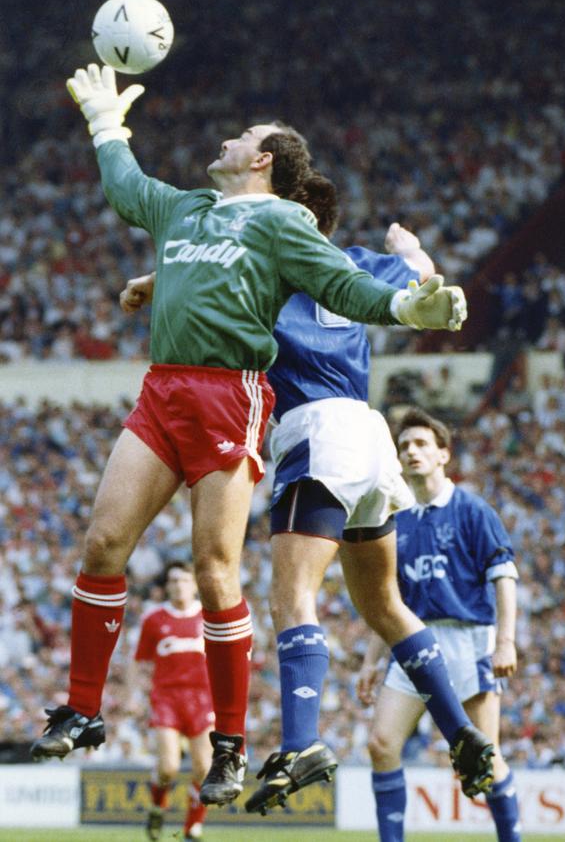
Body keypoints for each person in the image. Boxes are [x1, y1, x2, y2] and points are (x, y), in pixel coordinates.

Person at [30, 63, 467, 811]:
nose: (227, 138)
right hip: (163, 389)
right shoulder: (190, 209)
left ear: (262, 159)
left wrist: (407, 304)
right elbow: (126, 188)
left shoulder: (283, 223)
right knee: (103, 546)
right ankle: (84, 707)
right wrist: (106, 125)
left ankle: (229, 745)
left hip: (229, 396)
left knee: (213, 570)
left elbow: (342, 286)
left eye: (242, 137)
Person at [120, 222, 496, 816]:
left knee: (292, 597)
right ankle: (462, 731)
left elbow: (200, 275)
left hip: (314, 432)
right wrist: (408, 250)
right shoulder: (356, 262)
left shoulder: (263, 264)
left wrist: (149, 280)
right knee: (385, 607)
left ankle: (300, 744)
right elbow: (422, 274)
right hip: (371, 434)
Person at [357, 407, 520, 842]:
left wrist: (505, 642)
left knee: (486, 757)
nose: (411, 451)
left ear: (443, 454)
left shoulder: (472, 509)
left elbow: (504, 577)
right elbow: (387, 601)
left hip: (469, 640)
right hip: (412, 640)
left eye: (421, 444)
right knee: (381, 744)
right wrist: (371, 660)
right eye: (405, 445)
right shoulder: (396, 519)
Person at [132, 561, 212, 842]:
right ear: (167, 585)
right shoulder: (154, 619)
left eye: (184, 580)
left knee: (204, 768)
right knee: (168, 767)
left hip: (203, 699)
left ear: (194, 584)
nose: (179, 585)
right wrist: (135, 694)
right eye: (174, 580)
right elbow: (139, 661)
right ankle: (158, 805)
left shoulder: (208, 616)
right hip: (167, 698)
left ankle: (193, 827)